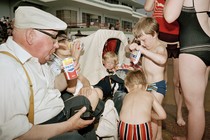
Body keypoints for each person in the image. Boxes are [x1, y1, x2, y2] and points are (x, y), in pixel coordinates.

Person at [0, 6, 99, 140]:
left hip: (58, 112)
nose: (57, 45)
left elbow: (54, 84)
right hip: (40, 129)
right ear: (30, 36)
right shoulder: (7, 68)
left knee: (85, 102)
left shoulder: (37, 59)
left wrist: (68, 74)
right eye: (53, 39)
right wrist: (69, 126)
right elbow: (18, 135)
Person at [164, 0, 210, 140]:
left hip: (193, 45)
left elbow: (169, 16)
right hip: (206, 41)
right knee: (198, 103)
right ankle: (192, 136)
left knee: (195, 107)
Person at [144, 0, 186, 128]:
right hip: (160, 42)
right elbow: (147, 7)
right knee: (162, 80)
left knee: (178, 82)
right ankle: (158, 112)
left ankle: (179, 114)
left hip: (178, 41)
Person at [129, 17, 168, 140]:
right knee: (154, 114)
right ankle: (159, 137)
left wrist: (142, 50)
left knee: (151, 115)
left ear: (154, 34)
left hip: (157, 86)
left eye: (144, 40)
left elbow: (162, 60)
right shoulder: (146, 48)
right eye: (140, 41)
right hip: (148, 85)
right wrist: (133, 49)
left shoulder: (159, 48)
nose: (143, 44)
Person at [119, 70, 167, 140]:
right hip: (141, 127)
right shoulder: (149, 95)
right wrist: (150, 114)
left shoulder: (126, 96)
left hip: (124, 126)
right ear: (146, 86)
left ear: (127, 87)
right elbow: (163, 115)